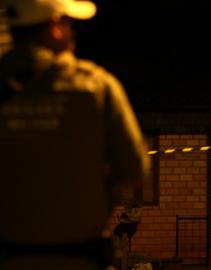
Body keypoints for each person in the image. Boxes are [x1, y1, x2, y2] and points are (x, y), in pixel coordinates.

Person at [0, 0, 150, 270]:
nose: (73, 32)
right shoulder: (96, 87)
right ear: (54, 28)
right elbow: (133, 168)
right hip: (79, 257)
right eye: (69, 23)